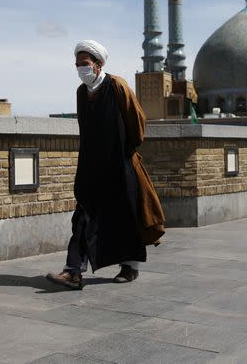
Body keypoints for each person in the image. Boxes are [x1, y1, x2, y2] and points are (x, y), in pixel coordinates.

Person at [46, 40, 165, 290]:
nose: (81, 69)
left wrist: (122, 152)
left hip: (120, 165)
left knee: (125, 217)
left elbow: (137, 123)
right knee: (83, 217)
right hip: (92, 166)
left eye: (85, 64)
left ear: (98, 65)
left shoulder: (117, 85)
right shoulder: (82, 92)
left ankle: (130, 267)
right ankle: (73, 271)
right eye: (77, 65)